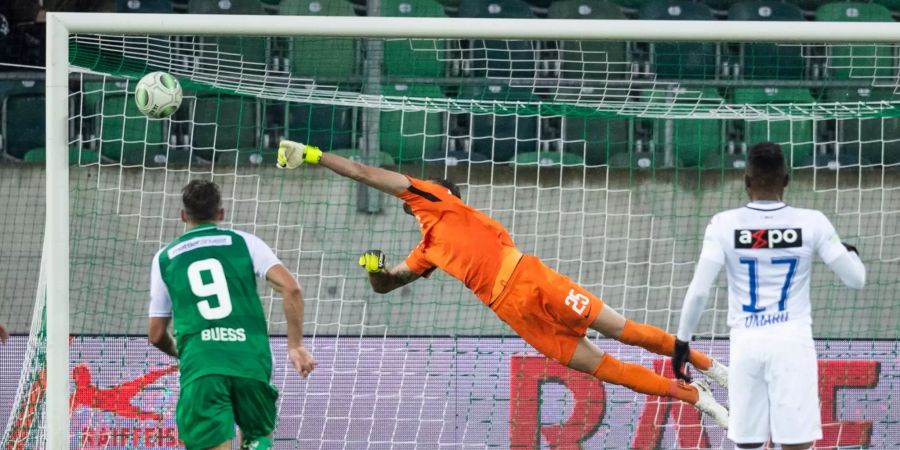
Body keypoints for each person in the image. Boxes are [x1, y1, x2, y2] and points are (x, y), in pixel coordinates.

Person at [276, 140, 729, 427]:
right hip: (511, 310)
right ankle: (694, 396)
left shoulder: (439, 202)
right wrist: (376, 270)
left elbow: (363, 173)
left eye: (423, 184)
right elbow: (389, 285)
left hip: (531, 278)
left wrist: (315, 156)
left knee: (623, 330)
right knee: (604, 368)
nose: (414, 186)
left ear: (443, 192)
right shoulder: (427, 248)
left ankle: (709, 367)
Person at [672, 142, 866, 450]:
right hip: (792, 344)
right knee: (796, 444)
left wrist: (681, 342)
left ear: (746, 181)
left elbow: (699, 290)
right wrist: (848, 253)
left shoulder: (724, 223)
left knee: (747, 443)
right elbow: (856, 280)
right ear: (786, 179)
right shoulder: (811, 221)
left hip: (747, 344)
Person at [148, 180, 316, 450]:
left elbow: (156, 335)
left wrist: (184, 352)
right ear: (221, 214)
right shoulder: (245, 242)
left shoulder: (165, 258)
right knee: (258, 440)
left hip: (203, 367)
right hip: (250, 362)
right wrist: (295, 345)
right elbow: (292, 289)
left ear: (183, 215)